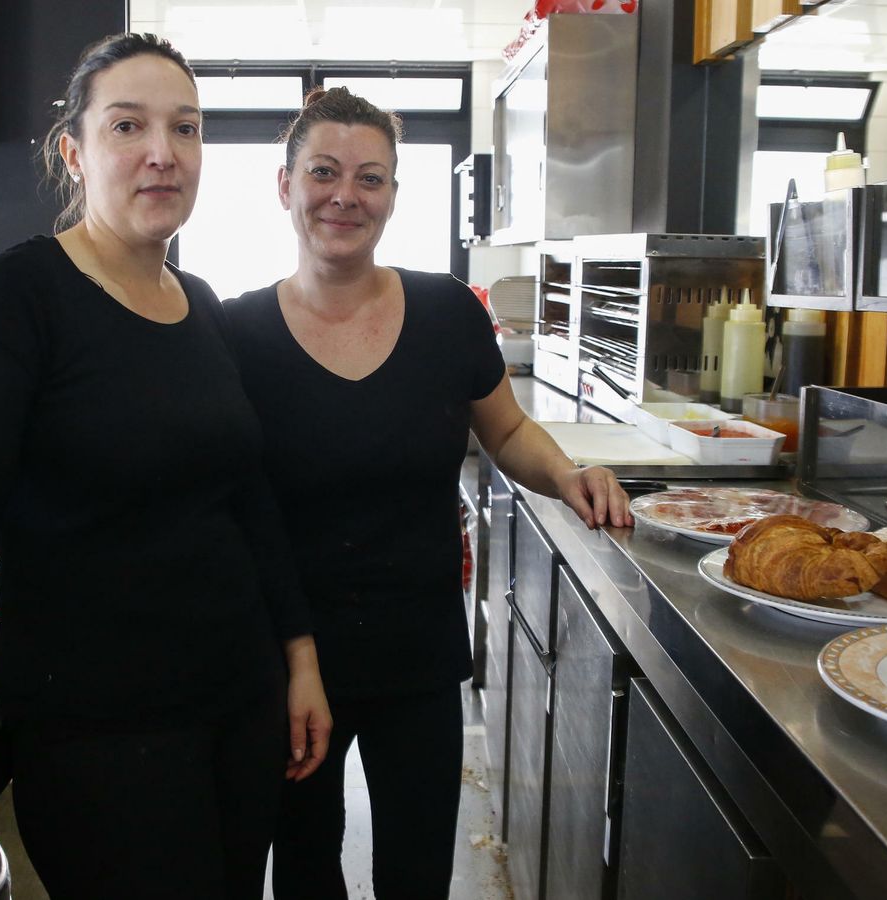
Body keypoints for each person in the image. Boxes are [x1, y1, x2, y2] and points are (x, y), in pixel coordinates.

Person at [0, 34, 331, 900]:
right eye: (128, 126)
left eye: (186, 128)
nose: (163, 153)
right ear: (74, 151)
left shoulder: (199, 303)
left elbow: (247, 499)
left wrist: (301, 657)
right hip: (97, 732)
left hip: (238, 707)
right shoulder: (14, 300)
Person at [224, 87, 633, 899]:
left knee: (416, 872)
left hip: (417, 649)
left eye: (370, 177)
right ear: (284, 184)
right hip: (291, 661)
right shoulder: (236, 335)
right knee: (305, 871)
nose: (346, 195)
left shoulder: (447, 310)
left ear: (394, 197)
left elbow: (508, 432)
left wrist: (569, 473)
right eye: (324, 172)